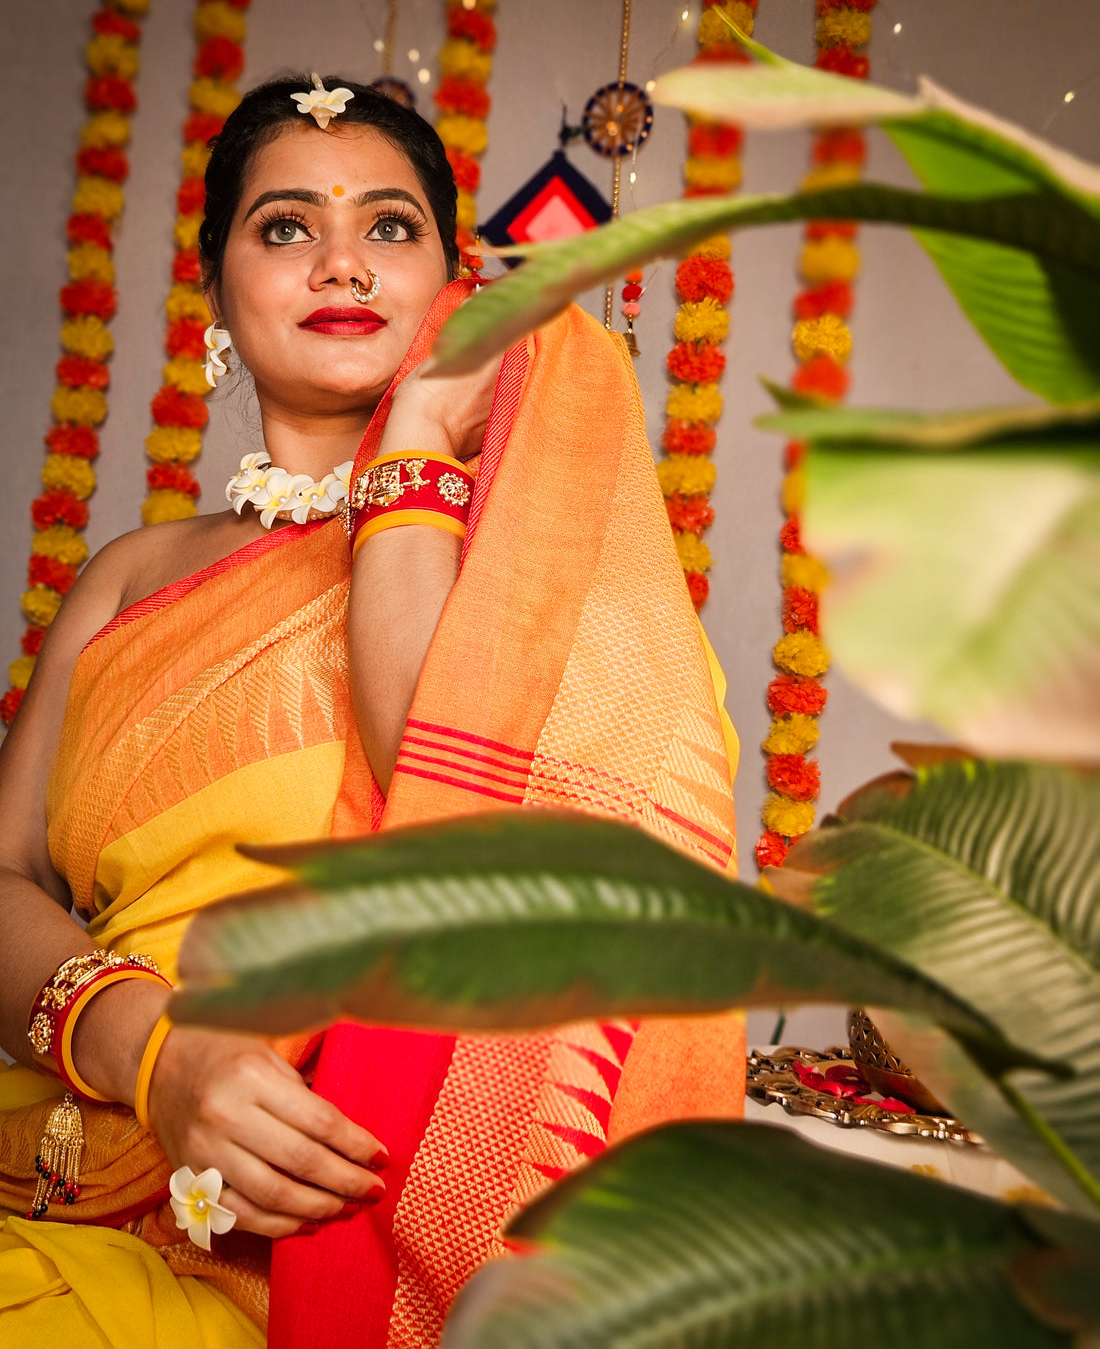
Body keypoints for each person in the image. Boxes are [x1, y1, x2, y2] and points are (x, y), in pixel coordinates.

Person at [0, 76, 743, 1346]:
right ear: (217, 289)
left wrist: (410, 452)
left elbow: (455, 795)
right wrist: (154, 1051)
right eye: (284, 226)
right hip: (77, 1150)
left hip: (331, 1218)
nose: (340, 261)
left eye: (390, 228)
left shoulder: (544, 561)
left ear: (456, 278)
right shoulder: (127, 574)